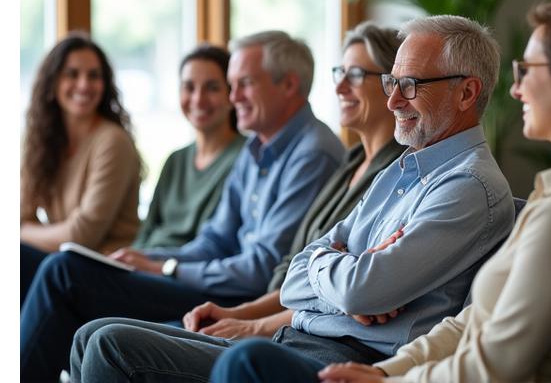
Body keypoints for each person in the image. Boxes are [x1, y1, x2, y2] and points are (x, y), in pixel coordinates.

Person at [69, 22, 407, 381]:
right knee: (90, 334)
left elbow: (330, 282)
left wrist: (246, 317)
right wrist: (240, 310)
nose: (232, 98)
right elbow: (298, 265)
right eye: (339, 73)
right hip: (275, 316)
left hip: (295, 328)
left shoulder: (337, 158)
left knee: (96, 323)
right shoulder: (349, 162)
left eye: (354, 74)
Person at [312, 0, 551, 382]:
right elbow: (470, 324)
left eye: (526, 70)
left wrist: (388, 381)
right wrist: (384, 373)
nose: (515, 89)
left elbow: (494, 365)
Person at [20, 30, 345, 382]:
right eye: (232, 85)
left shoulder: (312, 153)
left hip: (240, 296)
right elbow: (213, 240)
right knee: (54, 281)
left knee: (65, 271)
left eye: (243, 84)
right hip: (218, 282)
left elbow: (260, 269)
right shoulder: (257, 149)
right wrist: (152, 260)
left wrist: (166, 268)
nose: (233, 97)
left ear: (289, 85)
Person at [20, 32, 140, 303]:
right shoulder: (42, 142)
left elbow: (82, 235)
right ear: (52, 83)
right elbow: (20, 213)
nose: (84, 84)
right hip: (61, 263)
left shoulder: (112, 141)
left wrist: (25, 232)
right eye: (72, 74)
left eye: (94, 75)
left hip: (105, 268)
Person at [131, 44, 245, 250]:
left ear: (231, 94)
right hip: (144, 264)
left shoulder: (245, 158)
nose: (198, 99)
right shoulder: (176, 160)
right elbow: (146, 231)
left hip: (180, 270)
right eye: (189, 87)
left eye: (212, 88)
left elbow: (216, 243)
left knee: (62, 266)